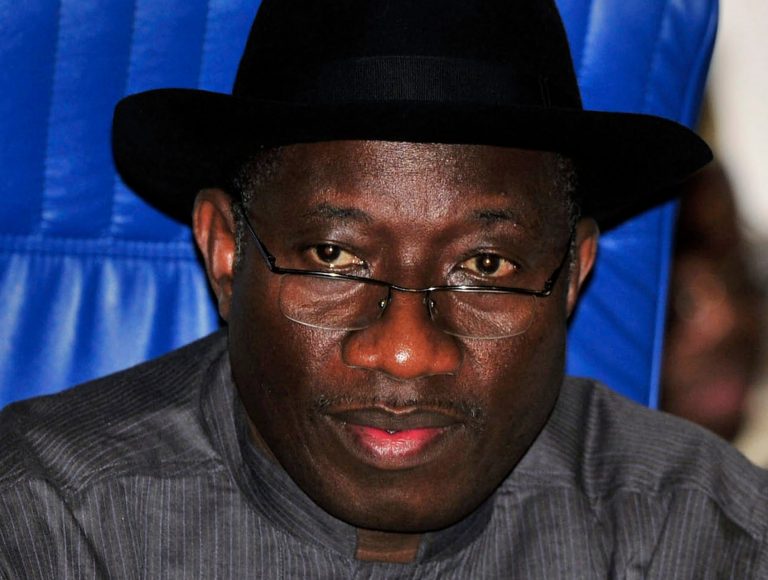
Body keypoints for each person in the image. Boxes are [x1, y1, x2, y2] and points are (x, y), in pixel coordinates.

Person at [1, 0, 765, 577]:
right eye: (333, 256)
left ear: (574, 273)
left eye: (485, 267)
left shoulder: (700, 534)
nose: (405, 352)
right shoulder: (46, 521)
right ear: (226, 251)